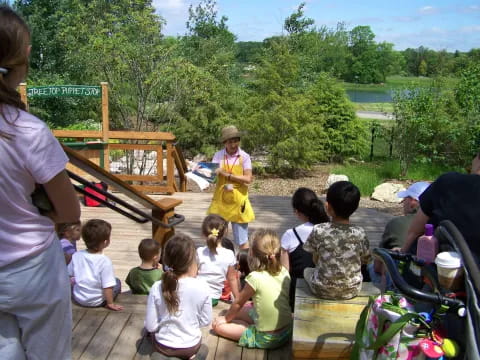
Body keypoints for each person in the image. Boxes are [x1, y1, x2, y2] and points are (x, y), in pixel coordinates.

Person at [0, 6, 81, 360]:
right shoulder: (27, 131)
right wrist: (46, 219)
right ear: (24, 58)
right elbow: (69, 209)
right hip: (32, 269)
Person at [212, 229, 292, 349]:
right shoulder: (284, 272)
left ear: (252, 254)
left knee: (218, 325)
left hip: (267, 338)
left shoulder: (254, 277)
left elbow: (238, 302)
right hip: (287, 331)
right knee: (241, 311)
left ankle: (247, 328)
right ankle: (246, 325)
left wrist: (225, 319)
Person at [401, 152, 480, 261]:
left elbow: (414, 231)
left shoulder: (448, 182)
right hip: (473, 275)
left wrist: (401, 254)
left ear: (478, 160)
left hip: (438, 269)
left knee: (380, 267)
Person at [145, 234, 211, 360]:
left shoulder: (157, 286)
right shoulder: (203, 286)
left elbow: (150, 326)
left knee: (150, 339)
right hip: (191, 346)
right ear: (192, 261)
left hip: (163, 346)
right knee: (204, 348)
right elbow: (205, 321)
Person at [303, 181, 370, 300]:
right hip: (352, 290)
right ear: (355, 207)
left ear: (328, 207)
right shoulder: (360, 232)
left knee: (307, 270)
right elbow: (365, 260)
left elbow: (315, 258)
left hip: (321, 289)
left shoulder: (319, 230)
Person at [368, 181, 430, 289]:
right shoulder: (438, 225)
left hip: (401, 284)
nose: (403, 203)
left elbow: (378, 267)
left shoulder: (396, 223)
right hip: (426, 285)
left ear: (413, 202)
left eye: (404, 199)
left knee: (371, 265)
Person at [280, 187, 329, 306]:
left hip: (297, 294)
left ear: (297, 212)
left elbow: (284, 272)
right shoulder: (329, 230)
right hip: (326, 289)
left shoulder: (290, 235)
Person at [207, 125, 255, 249]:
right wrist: (204, 174)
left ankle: (244, 265)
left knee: (242, 240)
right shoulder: (218, 156)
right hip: (220, 201)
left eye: (236, 141)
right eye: (230, 142)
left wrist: (227, 175)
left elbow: (248, 178)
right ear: (224, 142)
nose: (233, 145)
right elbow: (213, 178)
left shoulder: (244, 157)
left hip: (239, 202)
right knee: (215, 235)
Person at [68, 219, 123, 311]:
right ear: (106, 242)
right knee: (116, 282)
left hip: (79, 298)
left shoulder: (76, 255)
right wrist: (110, 303)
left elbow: (69, 274)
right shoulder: (105, 261)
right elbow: (108, 286)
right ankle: (108, 302)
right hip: (97, 301)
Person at [197, 214, 240, 306]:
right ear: (225, 232)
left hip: (197, 295)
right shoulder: (229, 254)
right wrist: (237, 299)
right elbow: (232, 279)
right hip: (213, 298)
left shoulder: (199, 252)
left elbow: (192, 274)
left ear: (203, 233)